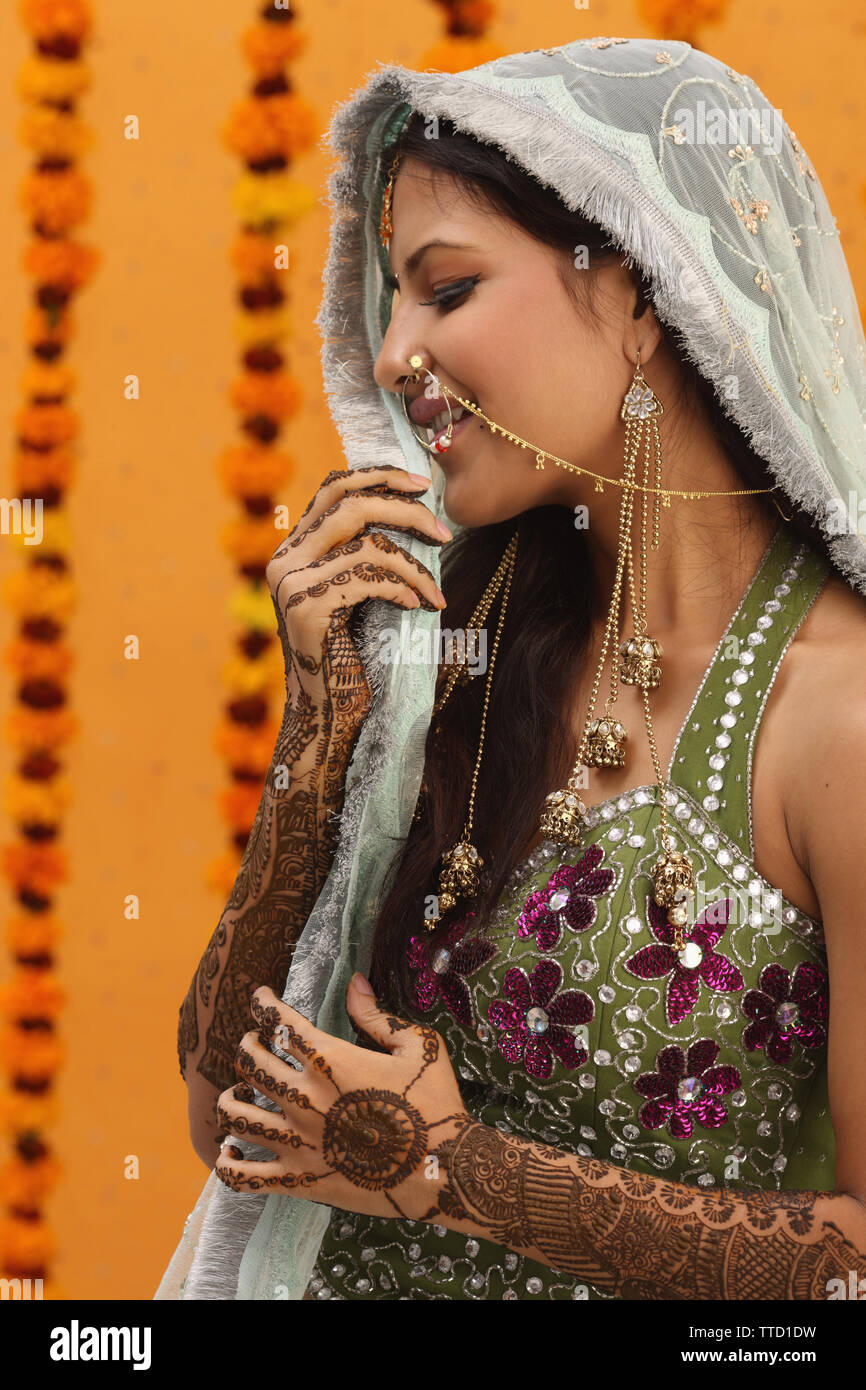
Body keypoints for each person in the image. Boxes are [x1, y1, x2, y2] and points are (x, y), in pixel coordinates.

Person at [157, 36, 866, 1301]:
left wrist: (453, 1171)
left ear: (644, 292)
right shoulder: (451, 656)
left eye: (446, 288)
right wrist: (320, 736)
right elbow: (224, 1119)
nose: (387, 358)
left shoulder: (835, 717)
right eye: (389, 302)